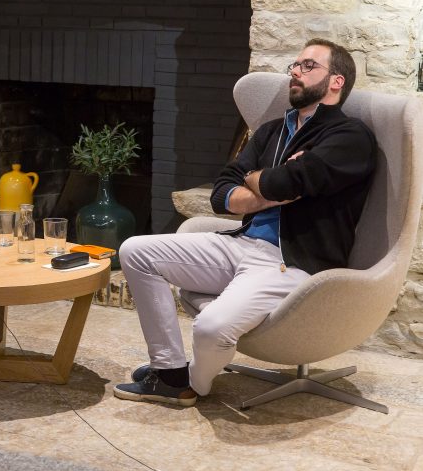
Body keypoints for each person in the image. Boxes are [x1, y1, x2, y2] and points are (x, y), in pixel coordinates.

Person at [114, 39, 376, 406]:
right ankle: (169, 371)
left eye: (308, 66)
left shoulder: (349, 137)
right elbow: (222, 191)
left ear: (337, 81)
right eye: (295, 65)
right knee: (136, 251)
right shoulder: (270, 131)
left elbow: (283, 183)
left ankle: (191, 385)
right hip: (241, 241)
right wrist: (267, 183)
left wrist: (262, 179)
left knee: (211, 327)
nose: (295, 72)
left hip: (290, 261)